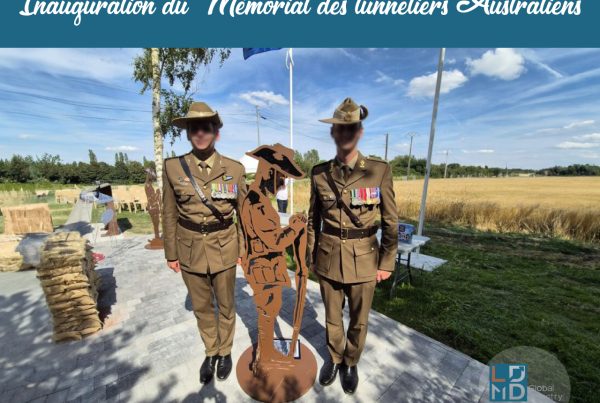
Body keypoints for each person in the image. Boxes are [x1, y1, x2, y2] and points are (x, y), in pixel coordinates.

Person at [307, 97, 398, 394]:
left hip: (365, 258)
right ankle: (334, 357)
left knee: (359, 320)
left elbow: (391, 221)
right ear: (333, 133)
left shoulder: (379, 170)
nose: (345, 134)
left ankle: (351, 361)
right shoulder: (319, 173)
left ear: (359, 132)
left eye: (351, 128)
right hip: (329, 255)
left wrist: (386, 262)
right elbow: (312, 219)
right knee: (332, 316)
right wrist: (310, 256)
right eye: (339, 129)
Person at [162, 101, 247, 384]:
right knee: (201, 307)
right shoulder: (173, 167)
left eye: (206, 128)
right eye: (194, 128)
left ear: (216, 132)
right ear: (187, 132)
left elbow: (244, 215)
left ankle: (225, 352)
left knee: (225, 305)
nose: (200, 133)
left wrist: (244, 251)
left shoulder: (234, 169)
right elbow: (169, 212)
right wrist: (170, 253)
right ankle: (211, 351)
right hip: (189, 248)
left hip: (225, 245)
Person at [239, 143, 308, 375]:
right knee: (268, 311)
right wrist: (295, 228)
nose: (283, 183)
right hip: (263, 267)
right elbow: (275, 241)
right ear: (269, 172)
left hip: (265, 265)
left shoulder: (258, 198)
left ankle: (265, 353)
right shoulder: (257, 202)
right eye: (282, 178)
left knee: (270, 309)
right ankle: (264, 360)